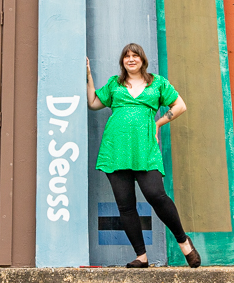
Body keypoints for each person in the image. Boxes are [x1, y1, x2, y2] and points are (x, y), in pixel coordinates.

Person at [86, 44, 202, 268]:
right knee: (126, 205)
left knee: (156, 195)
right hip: (115, 149)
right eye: (126, 56)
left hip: (145, 148)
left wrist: (158, 123)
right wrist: (89, 76)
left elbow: (180, 106)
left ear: (142, 60)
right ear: (122, 62)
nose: (131, 59)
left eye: (135, 55)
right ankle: (141, 256)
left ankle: (183, 242)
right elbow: (93, 103)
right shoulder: (114, 84)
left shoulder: (157, 83)